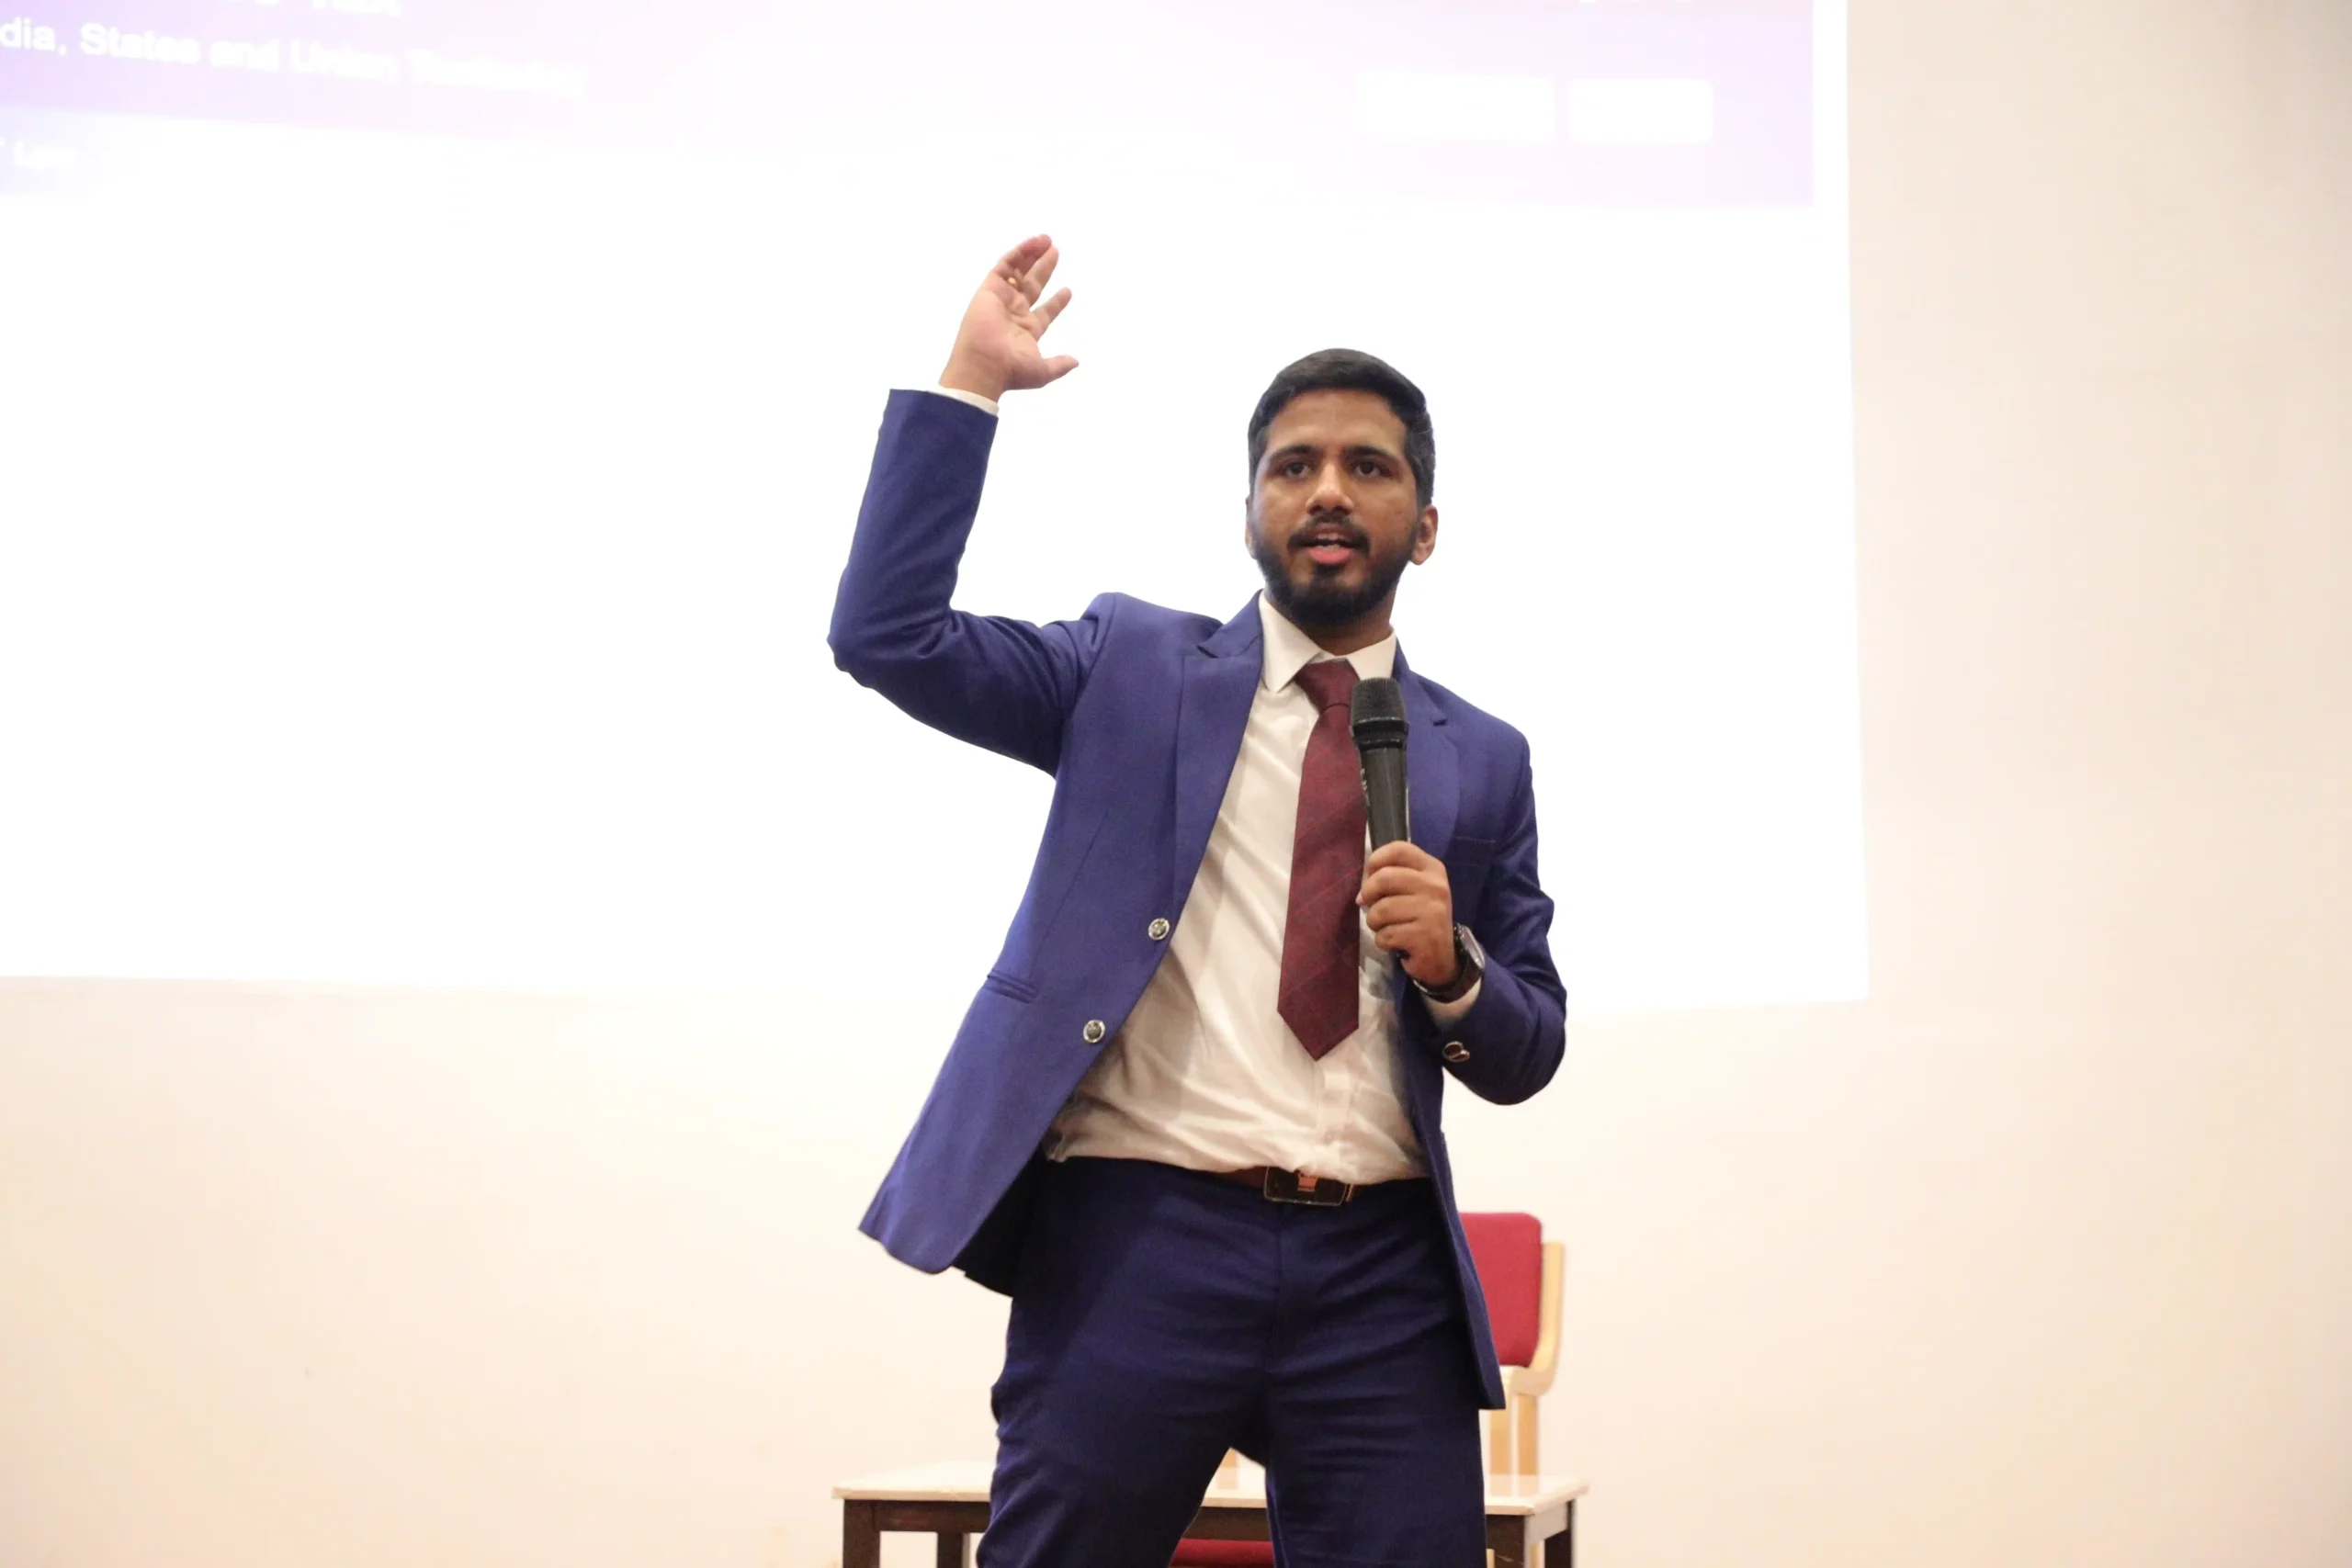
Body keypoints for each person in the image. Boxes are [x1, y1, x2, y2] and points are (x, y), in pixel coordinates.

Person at [828, 235, 1566, 1568]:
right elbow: (888, 636)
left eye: (1369, 466)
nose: (1327, 489)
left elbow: (1529, 1046)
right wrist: (969, 385)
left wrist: (1454, 969)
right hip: (1138, 1241)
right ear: (1250, 513)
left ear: (1427, 525)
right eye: (1293, 465)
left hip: (1380, 1272)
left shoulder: (1486, 757)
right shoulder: (1130, 667)